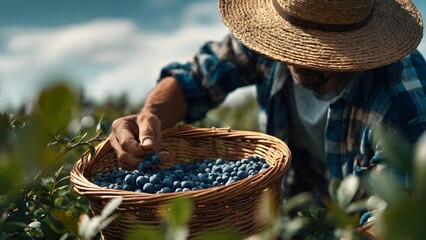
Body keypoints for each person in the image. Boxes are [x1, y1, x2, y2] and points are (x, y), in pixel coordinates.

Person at [110, 0, 425, 238]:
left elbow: (390, 223)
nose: (302, 56)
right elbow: (194, 79)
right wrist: (149, 117)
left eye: (323, 51)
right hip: (294, 205)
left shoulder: (403, 103)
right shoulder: (269, 36)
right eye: (297, 42)